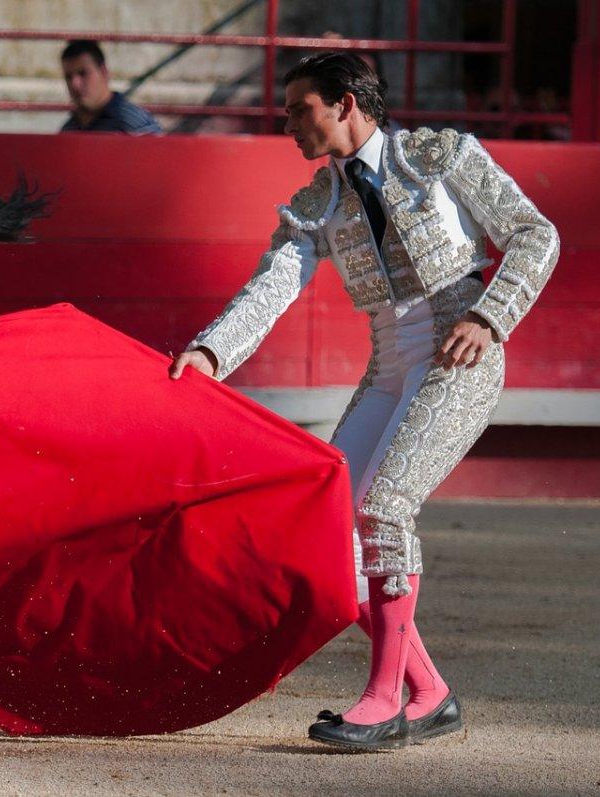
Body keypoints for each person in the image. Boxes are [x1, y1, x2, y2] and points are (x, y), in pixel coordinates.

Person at [169, 52, 558, 750]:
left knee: (383, 507)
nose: (287, 123)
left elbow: (535, 233)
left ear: (345, 103)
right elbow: (272, 285)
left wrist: (490, 314)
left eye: (299, 109)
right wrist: (210, 353)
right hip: (390, 365)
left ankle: (385, 700)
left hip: (461, 349)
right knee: (325, 521)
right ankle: (430, 691)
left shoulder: (441, 156)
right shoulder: (318, 200)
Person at [59, 40, 162, 135]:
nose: (75, 84)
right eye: (68, 77)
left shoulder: (135, 125)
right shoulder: (69, 129)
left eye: (83, 74)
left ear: (103, 72)